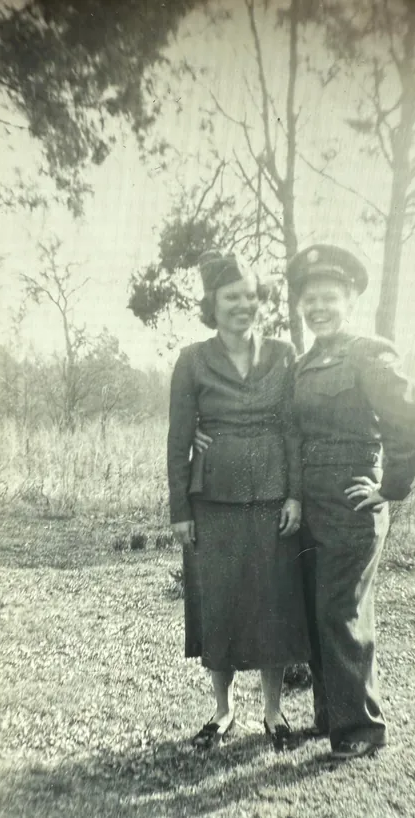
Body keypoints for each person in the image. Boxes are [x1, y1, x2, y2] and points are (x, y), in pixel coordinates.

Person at [286, 244, 415, 761]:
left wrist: (388, 488)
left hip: (352, 502)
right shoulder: (302, 365)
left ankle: (361, 728)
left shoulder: (370, 352)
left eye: (328, 297)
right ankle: (330, 716)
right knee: (314, 609)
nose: (318, 307)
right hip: (309, 503)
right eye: (310, 299)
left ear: (349, 300)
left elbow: (411, 425)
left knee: (340, 609)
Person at [167, 249, 310, 751]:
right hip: (214, 500)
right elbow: (179, 438)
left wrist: (295, 494)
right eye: (232, 297)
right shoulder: (191, 360)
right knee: (220, 603)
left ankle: (274, 712)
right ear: (213, 302)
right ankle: (223, 711)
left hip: (272, 496)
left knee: (274, 601)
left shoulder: (284, 354)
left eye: (251, 295)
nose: (244, 305)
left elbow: (293, 429)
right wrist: (180, 511)